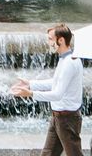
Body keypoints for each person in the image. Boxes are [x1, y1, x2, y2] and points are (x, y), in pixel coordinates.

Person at [13, 22, 84, 156]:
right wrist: (30, 84)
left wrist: (31, 94)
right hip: (58, 117)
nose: (48, 42)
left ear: (61, 40)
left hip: (67, 119)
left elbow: (57, 94)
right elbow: (56, 82)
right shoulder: (65, 59)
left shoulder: (70, 62)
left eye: (51, 39)